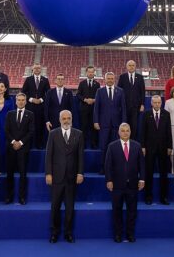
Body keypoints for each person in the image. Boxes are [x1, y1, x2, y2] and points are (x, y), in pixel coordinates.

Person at [45, 110, 84, 243]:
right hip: (56, 177)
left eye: (68, 118)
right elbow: (48, 155)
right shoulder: (53, 134)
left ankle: (68, 233)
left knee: (69, 207)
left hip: (72, 177)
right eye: (64, 118)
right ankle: (54, 233)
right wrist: (48, 173)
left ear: (72, 119)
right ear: (60, 119)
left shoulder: (78, 134)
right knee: (55, 206)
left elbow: (80, 156)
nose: (66, 121)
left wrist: (80, 173)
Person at [105, 123, 145, 243]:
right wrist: (109, 180)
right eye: (123, 131)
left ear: (130, 132)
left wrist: (142, 179)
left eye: (127, 130)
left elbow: (142, 165)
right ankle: (118, 234)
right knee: (117, 211)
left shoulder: (137, 146)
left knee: (132, 211)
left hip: (132, 185)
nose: (125, 133)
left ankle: (130, 234)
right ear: (119, 132)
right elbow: (108, 165)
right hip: (117, 185)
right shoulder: (112, 146)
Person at [140, 95, 172, 205]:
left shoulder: (166, 114)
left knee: (164, 173)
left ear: (161, 103)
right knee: (149, 173)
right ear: (151, 103)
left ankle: (164, 197)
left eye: (159, 102)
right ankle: (148, 196)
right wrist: (143, 146)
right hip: (149, 148)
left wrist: (169, 146)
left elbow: (169, 131)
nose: (157, 104)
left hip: (163, 148)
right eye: (155, 102)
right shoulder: (146, 114)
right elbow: (142, 131)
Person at [4, 92, 35, 205]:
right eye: (19, 100)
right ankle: (9, 197)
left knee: (23, 174)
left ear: (26, 101)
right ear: (15, 101)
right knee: (9, 174)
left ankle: (22, 197)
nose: (21, 102)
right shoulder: (9, 114)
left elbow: (31, 132)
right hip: (11, 148)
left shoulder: (30, 114)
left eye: (23, 100)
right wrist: (13, 142)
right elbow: (6, 130)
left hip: (23, 148)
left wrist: (20, 143)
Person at [93, 72, 126, 174]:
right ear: (105, 79)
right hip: (104, 124)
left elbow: (123, 108)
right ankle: (103, 168)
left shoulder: (120, 91)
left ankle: (115, 169)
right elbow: (96, 108)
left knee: (116, 148)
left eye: (112, 78)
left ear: (114, 79)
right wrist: (96, 121)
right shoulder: (100, 91)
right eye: (109, 78)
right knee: (103, 148)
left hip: (117, 125)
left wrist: (124, 123)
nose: (110, 80)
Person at [22, 62, 50, 148]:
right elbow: (23, 92)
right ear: (32, 70)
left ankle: (39, 145)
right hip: (30, 106)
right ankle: (29, 144)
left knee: (40, 126)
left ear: (41, 70)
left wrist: (41, 100)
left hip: (41, 107)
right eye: (35, 68)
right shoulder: (28, 79)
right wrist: (31, 99)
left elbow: (48, 94)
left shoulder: (45, 80)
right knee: (29, 126)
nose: (37, 70)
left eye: (38, 68)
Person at [117, 60, 145, 139]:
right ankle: (123, 141)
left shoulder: (140, 77)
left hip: (136, 107)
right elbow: (118, 91)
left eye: (133, 65)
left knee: (134, 125)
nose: (131, 67)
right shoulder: (122, 77)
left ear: (135, 67)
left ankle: (132, 142)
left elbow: (142, 91)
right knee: (124, 125)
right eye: (129, 65)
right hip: (124, 106)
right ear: (126, 67)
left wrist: (142, 104)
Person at [76, 65, 100, 148]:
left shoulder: (97, 84)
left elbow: (99, 96)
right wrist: (85, 100)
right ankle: (83, 145)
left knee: (94, 128)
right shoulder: (82, 83)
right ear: (86, 73)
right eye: (89, 72)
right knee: (83, 128)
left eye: (92, 72)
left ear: (94, 73)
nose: (90, 73)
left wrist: (94, 100)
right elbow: (78, 95)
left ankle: (94, 145)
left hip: (94, 110)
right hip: (84, 110)